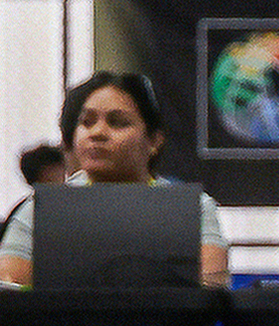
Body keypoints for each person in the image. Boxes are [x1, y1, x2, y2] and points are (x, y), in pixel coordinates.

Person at [0, 72, 228, 287]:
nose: (97, 133)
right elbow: (10, 286)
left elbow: (211, 285)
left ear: (154, 141)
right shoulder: (40, 209)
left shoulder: (193, 208)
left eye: (118, 122)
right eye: (87, 122)